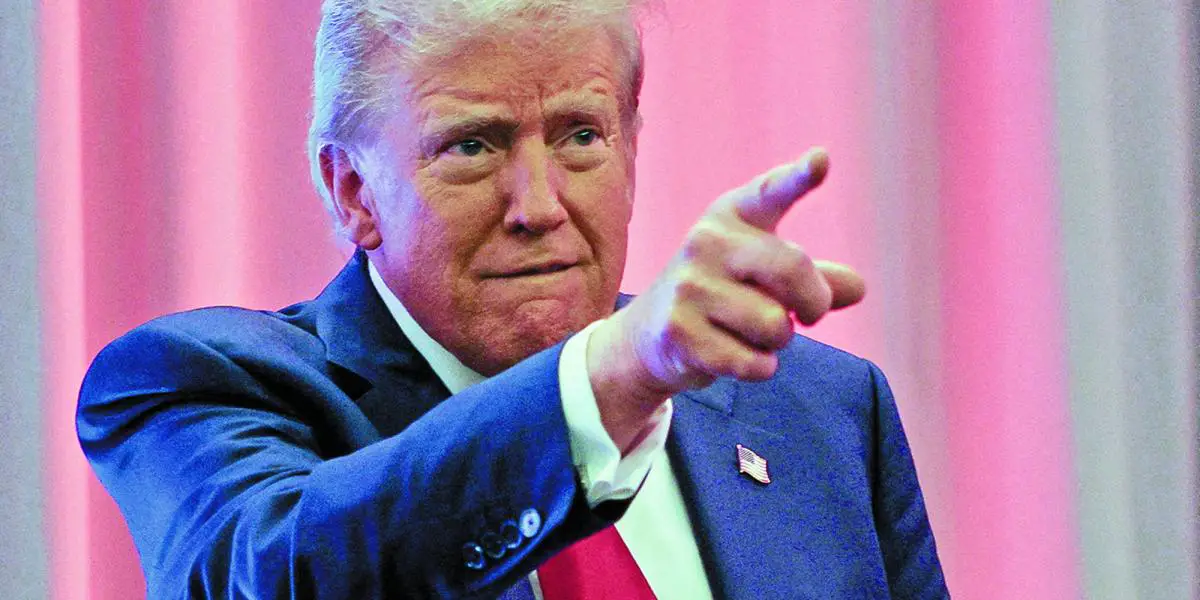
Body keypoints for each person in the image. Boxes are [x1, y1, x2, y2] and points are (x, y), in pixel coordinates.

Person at [78, 1, 948, 598]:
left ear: (632, 146)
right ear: (353, 191)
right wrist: (606, 383)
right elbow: (274, 576)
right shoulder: (197, 384)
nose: (539, 205)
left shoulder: (820, 410)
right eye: (473, 146)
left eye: (580, 135)